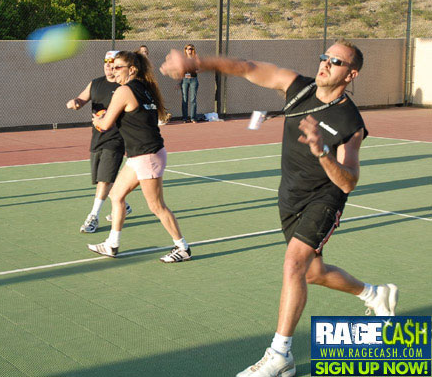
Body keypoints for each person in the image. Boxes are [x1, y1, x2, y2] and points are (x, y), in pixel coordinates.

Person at [161, 39, 398, 376]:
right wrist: (198, 63)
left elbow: (348, 181)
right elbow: (246, 67)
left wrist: (321, 151)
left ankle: (280, 355)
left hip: (325, 198)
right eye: (324, 57)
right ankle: (374, 294)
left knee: (292, 265)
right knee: (311, 272)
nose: (325, 64)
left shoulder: (350, 122)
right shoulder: (298, 88)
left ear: (351, 74)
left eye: (336, 61)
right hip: (290, 195)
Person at [89, 50, 191, 263]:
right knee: (116, 195)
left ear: (132, 69)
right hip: (142, 154)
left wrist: (97, 120)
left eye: (118, 67)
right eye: (112, 66)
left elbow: (106, 125)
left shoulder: (124, 91)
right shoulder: (145, 88)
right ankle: (112, 244)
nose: (113, 70)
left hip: (147, 156)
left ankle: (182, 248)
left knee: (157, 206)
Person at [66, 51, 132, 233]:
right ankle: (123, 205)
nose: (109, 65)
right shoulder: (95, 83)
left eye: (113, 62)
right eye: (106, 62)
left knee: (104, 179)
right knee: (102, 179)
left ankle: (92, 217)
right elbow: (81, 99)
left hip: (116, 139)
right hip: (97, 138)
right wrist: (75, 102)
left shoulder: (124, 87)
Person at [181, 44, 199, 123]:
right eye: (188, 49)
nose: (189, 50)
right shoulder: (183, 59)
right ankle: (185, 118)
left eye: (191, 49)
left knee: (193, 99)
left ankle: (193, 118)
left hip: (193, 80)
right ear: (185, 50)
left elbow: (198, 70)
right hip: (185, 80)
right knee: (184, 99)